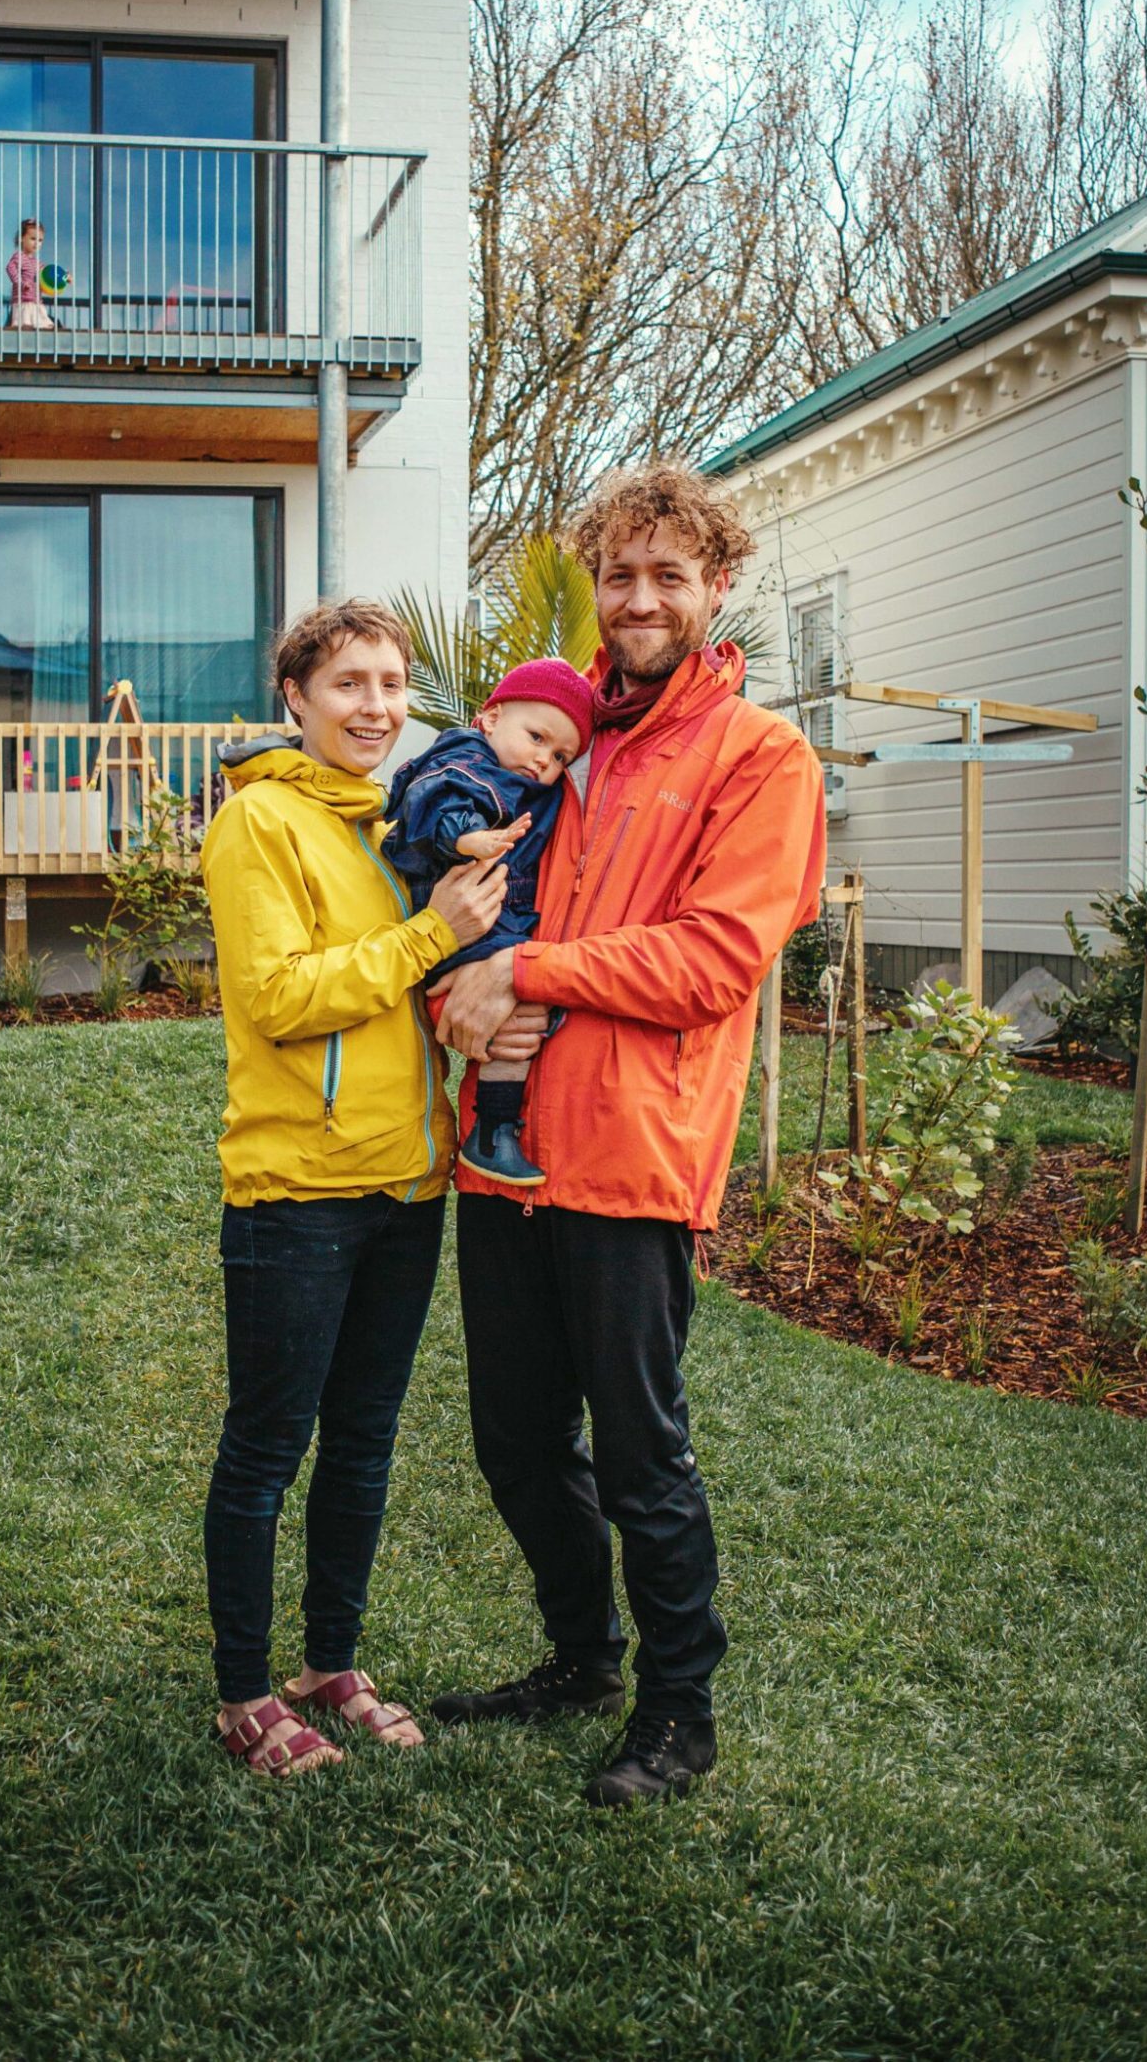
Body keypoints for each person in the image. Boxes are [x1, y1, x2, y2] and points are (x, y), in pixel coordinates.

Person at [428, 462, 826, 1808]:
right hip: (501, 1155)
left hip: (630, 1160)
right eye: (619, 574)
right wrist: (459, 1002)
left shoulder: (757, 759)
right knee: (512, 1439)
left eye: (668, 574)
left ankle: (676, 1714)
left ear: (716, 589)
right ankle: (578, 1658)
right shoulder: (551, 740)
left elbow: (714, 958)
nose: (639, 597)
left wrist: (530, 981)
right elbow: (458, 904)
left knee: (642, 1454)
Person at [199, 599, 508, 1780]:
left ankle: (328, 1662)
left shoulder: (398, 825)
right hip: (298, 1188)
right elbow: (280, 999)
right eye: (348, 685)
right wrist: (431, 936)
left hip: (406, 1181)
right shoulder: (258, 823)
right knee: (267, 1445)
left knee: (364, 1440)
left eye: (390, 684)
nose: (375, 705)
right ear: (297, 698)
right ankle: (241, 1691)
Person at [381, 658, 594, 1186]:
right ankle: (493, 1131)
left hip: (493, 920)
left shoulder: (530, 783)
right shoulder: (467, 758)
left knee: (528, 1010)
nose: (544, 759)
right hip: (460, 917)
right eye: (537, 736)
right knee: (523, 1012)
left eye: (560, 754)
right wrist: (468, 838)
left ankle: (494, 1131)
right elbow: (432, 799)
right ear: (491, 717)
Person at [6, 217, 54, 328]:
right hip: (23, 300)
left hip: (36, 300)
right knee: (25, 322)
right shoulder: (19, 257)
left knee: (43, 322)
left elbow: (49, 274)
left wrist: (65, 277)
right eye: (33, 239)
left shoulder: (37, 263)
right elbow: (10, 268)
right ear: (22, 238)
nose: (37, 243)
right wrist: (21, 283)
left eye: (40, 240)